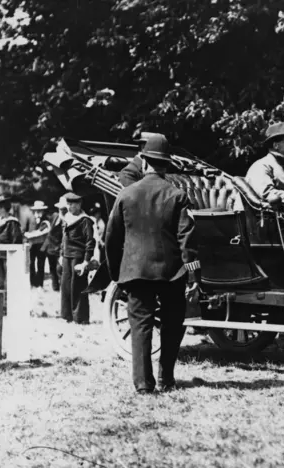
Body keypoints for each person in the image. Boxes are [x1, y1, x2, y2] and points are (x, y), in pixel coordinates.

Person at [105, 134, 202, 394]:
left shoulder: (126, 195)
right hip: (172, 273)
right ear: (165, 165)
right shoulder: (178, 195)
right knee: (172, 326)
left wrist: (117, 274)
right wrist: (194, 277)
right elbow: (187, 242)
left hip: (135, 273)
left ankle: (143, 384)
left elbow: (111, 240)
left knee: (140, 327)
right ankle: (166, 378)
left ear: (145, 162)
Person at [61, 192, 96, 324]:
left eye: (72, 204)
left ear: (79, 204)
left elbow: (90, 242)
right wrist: (61, 254)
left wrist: (86, 261)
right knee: (66, 287)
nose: (69, 207)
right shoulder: (67, 218)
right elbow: (63, 239)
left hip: (78, 257)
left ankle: (80, 318)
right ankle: (67, 316)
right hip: (66, 256)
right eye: (68, 204)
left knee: (78, 286)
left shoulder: (85, 220)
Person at [0, 194, 23, 289]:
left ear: (3, 208)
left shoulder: (12, 223)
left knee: (10, 282)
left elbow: (17, 241)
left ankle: (9, 302)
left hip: (9, 257)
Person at [41, 196, 67, 291]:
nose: (62, 210)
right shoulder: (54, 216)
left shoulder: (67, 220)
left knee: (59, 268)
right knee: (52, 269)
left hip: (60, 248)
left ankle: (63, 288)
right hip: (50, 247)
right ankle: (55, 287)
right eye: (61, 208)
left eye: (64, 209)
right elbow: (48, 229)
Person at [24, 201, 51, 288]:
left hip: (41, 246)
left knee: (41, 264)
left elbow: (45, 234)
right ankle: (32, 282)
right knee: (31, 264)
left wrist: (44, 246)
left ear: (43, 211)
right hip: (31, 246)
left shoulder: (46, 220)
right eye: (36, 210)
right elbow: (25, 231)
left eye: (40, 211)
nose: (38, 212)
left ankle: (40, 284)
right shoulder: (30, 219)